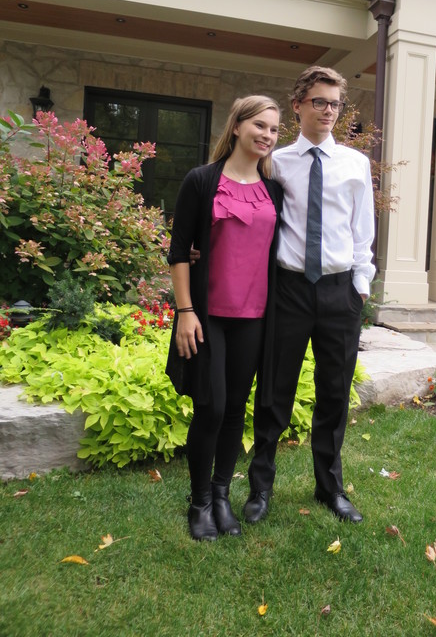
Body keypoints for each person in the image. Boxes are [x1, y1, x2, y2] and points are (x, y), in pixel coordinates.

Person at [244, 66, 375, 524]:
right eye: (319, 101)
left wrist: (360, 286)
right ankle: (260, 487)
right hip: (290, 290)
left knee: (335, 394)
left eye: (335, 104)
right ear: (298, 104)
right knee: (274, 391)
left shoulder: (355, 164)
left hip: (340, 293)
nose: (328, 111)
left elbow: (363, 230)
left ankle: (330, 488)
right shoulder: (276, 162)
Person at [166, 95, 282, 542]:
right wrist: (185, 312)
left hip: (255, 316)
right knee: (210, 406)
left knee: (235, 409)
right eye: (260, 125)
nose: (267, 135)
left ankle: (220, 496)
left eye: (274, 129)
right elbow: (180, 250)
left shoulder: (273, 190)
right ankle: (198, 502)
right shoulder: (201, 181)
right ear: (237, 126)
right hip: (208, 314)